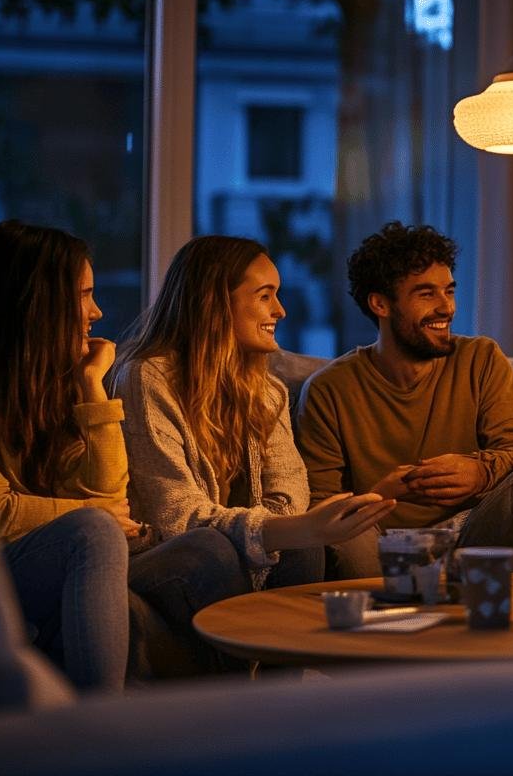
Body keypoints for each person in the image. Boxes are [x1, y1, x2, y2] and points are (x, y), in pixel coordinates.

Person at [0, 220, 237, 688]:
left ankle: (227, 723)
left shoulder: (39, 374)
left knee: (207, 548)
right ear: (37, 301)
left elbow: (107, 496)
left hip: (31, 560)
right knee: (91, 533)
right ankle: (94, 729)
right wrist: (94, 512)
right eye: (85, 295)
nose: (98, 312)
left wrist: (92, 389)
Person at [112, 236, 392, 621]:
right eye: (264, 296)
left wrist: (286, 532)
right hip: (168, 554)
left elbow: (290, 495)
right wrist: (275, 533)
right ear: (215, 303)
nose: (280, 310)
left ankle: (281, 675)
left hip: (234, 547)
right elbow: (175, 518)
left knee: (303, 546)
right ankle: (237, 677)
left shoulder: (267, 391)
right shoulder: (147, 378)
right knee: (212, 548)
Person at [296, 222, 513, 578]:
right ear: (380, 304)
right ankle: (380, 625)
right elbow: (320, 506)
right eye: (426, 294)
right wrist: (381, 496)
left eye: (449, 291)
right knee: (348, 529)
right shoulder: (329, 389)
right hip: (381, 543)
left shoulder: (481, 358)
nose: (446, 307)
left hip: (473, 535)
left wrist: (479, 472)